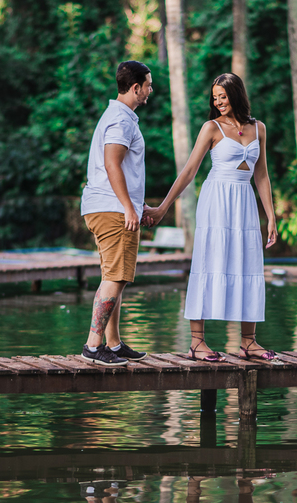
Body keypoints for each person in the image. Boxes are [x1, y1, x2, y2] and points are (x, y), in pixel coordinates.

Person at [144, 73, 277, 361]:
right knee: (208, 262)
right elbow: (189, 171)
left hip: (245, 201)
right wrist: (163, 207)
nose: (217, 102)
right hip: (217, 200)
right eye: (214, 97)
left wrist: (272, 218)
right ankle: (197, 343)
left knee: (248, 263)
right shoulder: (211, 128)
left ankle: (248, 342)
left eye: (223, 96)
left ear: (236, 94)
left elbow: (262, 175)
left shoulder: (259, 128)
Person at [79, 61, 154, 366]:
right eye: (148, 85)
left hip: (105, 205)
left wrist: (135, 203)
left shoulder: (118, 116)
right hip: (112, 208)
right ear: (135, 88)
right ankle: (93, 346)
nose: (151, 90)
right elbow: (112, 164)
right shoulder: (122, 121)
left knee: (114, 277)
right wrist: (127, 206)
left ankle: (113, 343)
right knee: (116, 276)